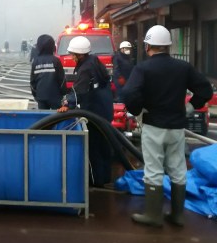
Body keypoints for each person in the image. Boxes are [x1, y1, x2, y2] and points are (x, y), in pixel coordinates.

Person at [122, 25, 212, 228]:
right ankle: (177, 215)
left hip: (154, 125)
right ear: (168, 47)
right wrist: (189, 107)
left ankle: (153, 216)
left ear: (147, 46)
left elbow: (129, 93)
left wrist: (137, 109)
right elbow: (205, 89)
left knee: (153, 169)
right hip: (177, 126)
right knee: (178, 169)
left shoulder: (143, 68)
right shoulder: (183, 67)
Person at [57, 35, 114, 188]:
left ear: (79, 54)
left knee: (94, 145)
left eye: (72, 54)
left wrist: (67, 103)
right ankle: (105, 176)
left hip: (95, 112)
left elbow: (79, 90)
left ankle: (96, 180)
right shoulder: (95, 62)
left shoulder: (86, 68)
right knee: (104, 144)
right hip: (105, 110)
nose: (71, 57)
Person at [30, 34, 67, 110]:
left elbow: (32, 81)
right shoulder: (56, 61)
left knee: (44, 119)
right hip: (55, 97)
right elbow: (62, 80)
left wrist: (36, 95)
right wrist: (63, 93)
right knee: (56, 117)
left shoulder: (35, 62)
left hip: (41, 97)